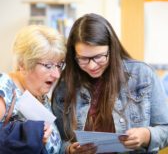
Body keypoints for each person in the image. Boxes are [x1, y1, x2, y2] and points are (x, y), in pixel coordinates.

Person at [51, 13, 168, 154]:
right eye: (83, 59)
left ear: (112, 49)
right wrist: (69, 150)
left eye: (99, 57)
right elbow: (57, 140)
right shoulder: (65, 84)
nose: (92, 66)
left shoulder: (142, 75)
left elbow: (165, 130)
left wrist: (146, 135)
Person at [0, 25, 66, 154]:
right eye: (48, 66)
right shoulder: (4, 89)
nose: (57, 74)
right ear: (23, 64)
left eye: (59, 65)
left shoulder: (41, 95)